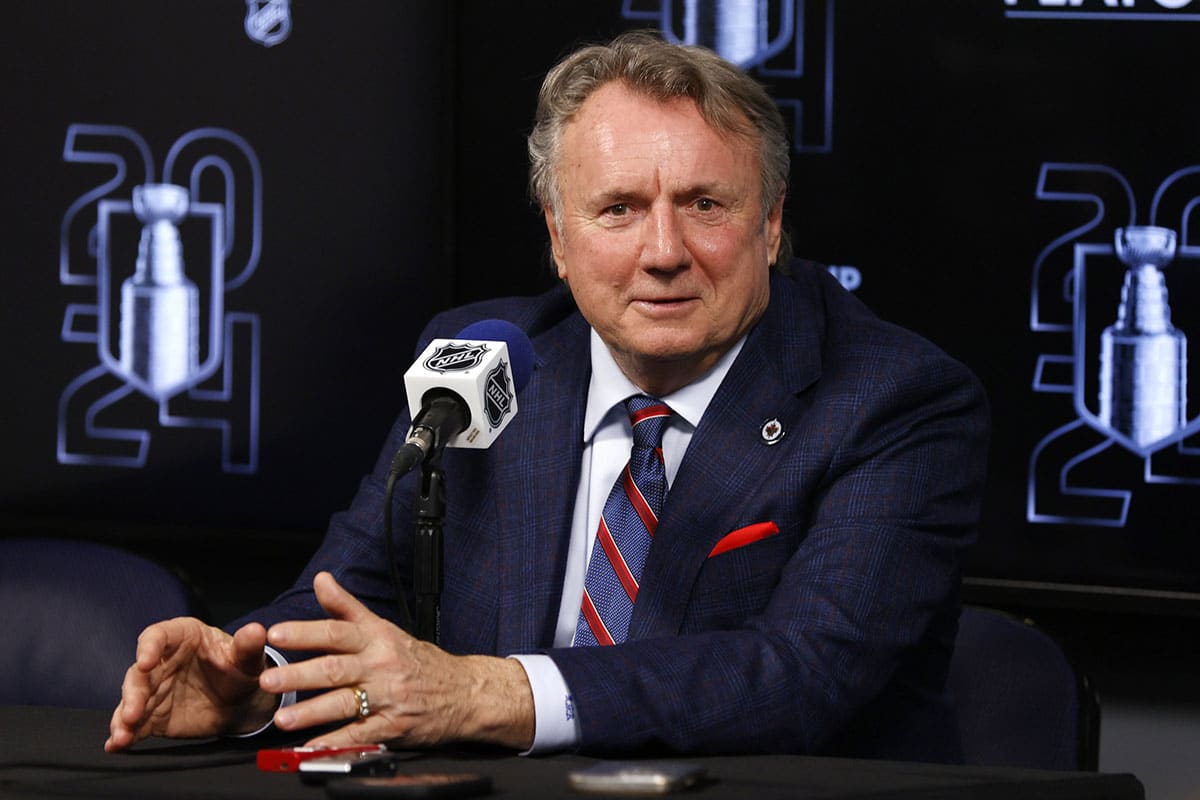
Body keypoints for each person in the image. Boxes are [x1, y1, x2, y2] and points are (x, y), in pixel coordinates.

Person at [106, 30, 988, 762]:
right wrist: (252, 676)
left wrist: (484, 692)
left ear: (771, 224)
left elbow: (801, 673)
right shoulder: (486, 359)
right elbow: (351, 593)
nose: (665, 250)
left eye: (706, 205)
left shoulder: (894, 400)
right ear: (558, 237)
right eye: (618, 210)